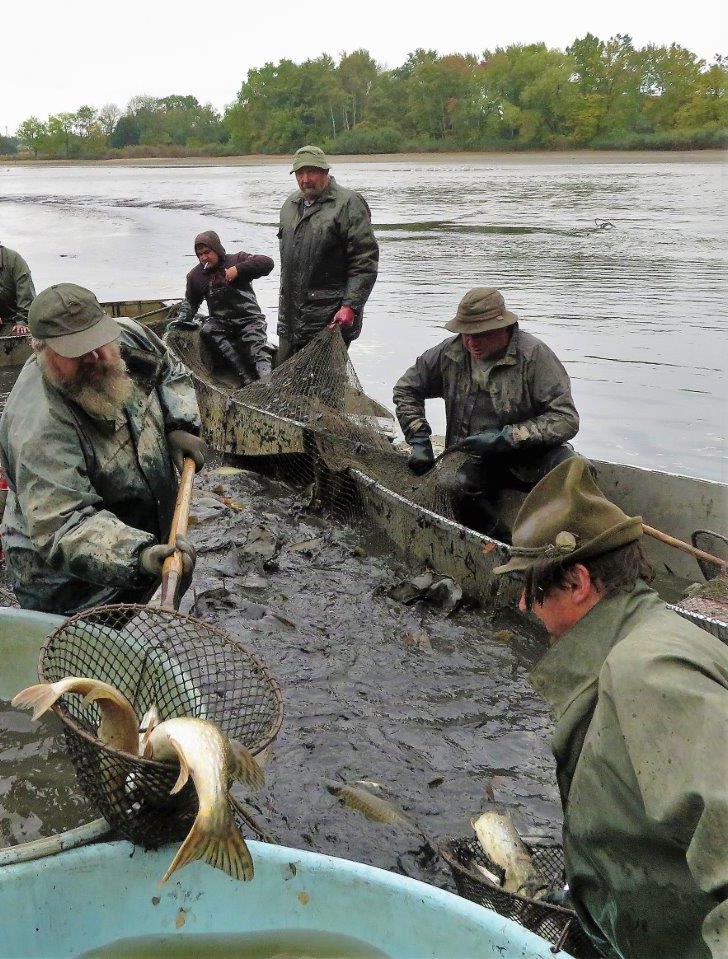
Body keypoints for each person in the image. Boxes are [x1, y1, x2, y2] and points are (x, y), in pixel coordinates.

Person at [493, 457, 728, 959]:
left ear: (577, 582)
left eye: (530, 587)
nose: (521, 605)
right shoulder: (642, 645)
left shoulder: (649, 673)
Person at [0, 283, 208, 615]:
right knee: (88, 653)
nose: (93, 357)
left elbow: (170, 369)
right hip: (70, 586)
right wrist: (140, 555)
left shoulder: (127, 338)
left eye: (97, 342)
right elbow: (64, 526)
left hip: (144, 530)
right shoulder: (40, 426)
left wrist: (179, 425)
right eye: (76, 351)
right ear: (42, 351)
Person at [393, 287, 579, 537]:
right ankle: (500, 541)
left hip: (528, 456)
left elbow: (566, 419)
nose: (471, 343)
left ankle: (570, 535)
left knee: (576, 467)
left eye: (480, 335)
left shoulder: (534, 355)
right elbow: (406, 389)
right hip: (470, 459)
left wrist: (508, 437)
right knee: (451, 485)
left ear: (503, 328)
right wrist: (418, 438)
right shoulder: (451, 352)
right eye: (465, 333)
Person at [276, 145, 378, 364]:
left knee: (323, 384)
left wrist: (351, 305)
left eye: (311, 172)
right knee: (282, 373)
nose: (305, 179)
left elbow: (364, 261)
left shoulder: (349, 203)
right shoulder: (289, 205)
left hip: (330, 317)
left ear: (325, 171)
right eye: (300, 173)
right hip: (290, 315)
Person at [171, 230, 274, 385]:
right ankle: (244, 376)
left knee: (256, 346)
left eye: (207, 252)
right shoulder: (196, 275)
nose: (204, 257)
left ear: (217, 249)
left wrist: (238, 270)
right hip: (222, 322)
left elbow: (267, 263)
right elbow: (191, 303)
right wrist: (181, 321)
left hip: (249, 319)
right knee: (208, 329)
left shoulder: (238, 259)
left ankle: (267, 382)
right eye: (200, 255)